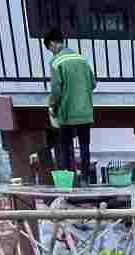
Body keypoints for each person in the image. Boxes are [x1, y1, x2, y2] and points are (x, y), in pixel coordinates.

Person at [45, 28, 95, 183]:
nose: (51, 52)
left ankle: (68, 182)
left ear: (53, 44)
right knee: (85, 146)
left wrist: (52, 106)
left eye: (50, 48)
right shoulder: (82, 59)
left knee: (66, 147)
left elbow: (56, 90)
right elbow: (93, 84)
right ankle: (85, 180)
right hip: (85, 111)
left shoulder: (56, 61)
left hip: (66, 112)